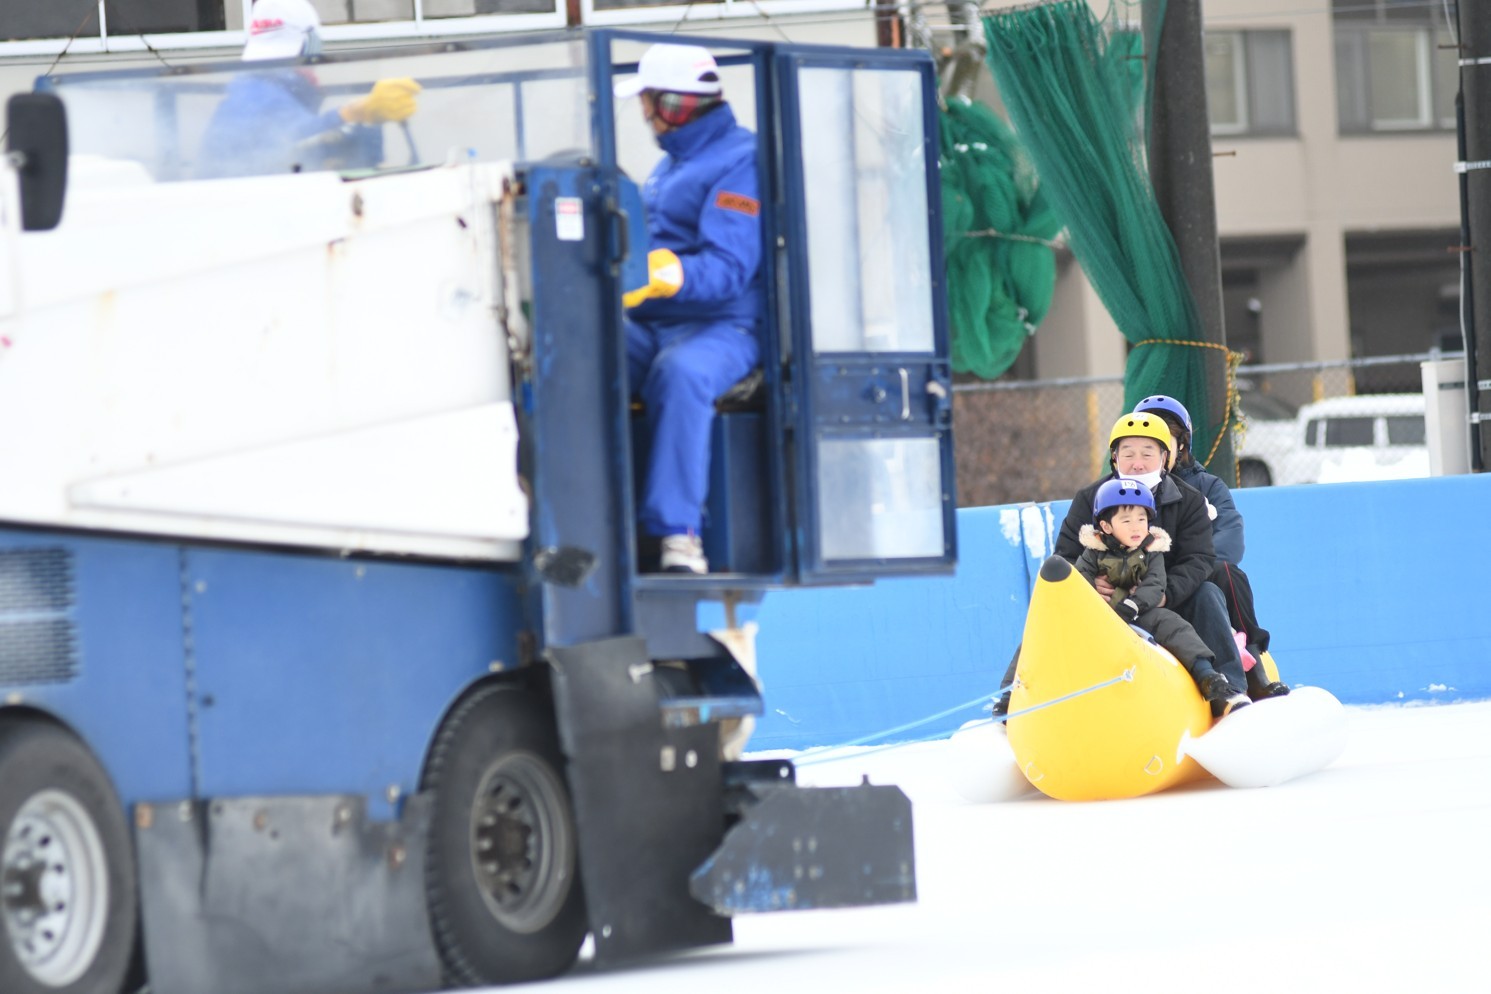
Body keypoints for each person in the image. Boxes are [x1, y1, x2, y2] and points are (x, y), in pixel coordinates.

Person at [614, 44, 763, 573]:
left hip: (723, 326)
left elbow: (729, 268)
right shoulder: (670, 165)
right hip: (653, 322)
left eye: (649, 100)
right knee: (583, 350)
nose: (643, 113)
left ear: (673, 105)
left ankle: (679, 536)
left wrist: (668, 274)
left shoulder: (742, 160)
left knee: (682, 374)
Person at [995, 412, 1251, 718]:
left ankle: (1227, 688)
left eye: (1147, 453)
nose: (1137, 463)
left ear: (1165, 458)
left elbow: (1199, 559)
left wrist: (1162, 593)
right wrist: (1091, 586)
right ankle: (1013, 694)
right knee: (1050, 610)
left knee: (1207, 593)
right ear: (1115, 458)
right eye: (1128, 454)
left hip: (1166, 599)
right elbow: (1067, 555)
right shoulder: (1089, 498)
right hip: (1102, 602)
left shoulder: (1189, 499)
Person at [1133, 394, 1290, 700]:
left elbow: (1230, 538)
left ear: (1181, 446)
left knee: (1227, 573)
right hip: (1141, 583)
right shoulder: (1122, 489)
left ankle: (1251, 669)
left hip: (1190, 578)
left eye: (1165, 440)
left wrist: (1187, 572)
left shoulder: (1205, 487)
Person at [1075, 478, 1250, 715]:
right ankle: (1029, 691)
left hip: (1141, 614)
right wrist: (1093, 603)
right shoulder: (1093, 552)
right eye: (1126, 521)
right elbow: (1080, 579)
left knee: (1174, 626)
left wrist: (1134, 605)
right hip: (1103, 616)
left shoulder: (1152, 551)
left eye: (1142, 519)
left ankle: (1207, 674)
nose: (1136, 527)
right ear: (1106, 527)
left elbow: (1155, 584)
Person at [197, 0, 421, 179]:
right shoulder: (263, 95)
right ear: (311, 46)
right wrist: (353, 114)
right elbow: (295, 141)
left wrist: (360, 119)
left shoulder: (250, 88)